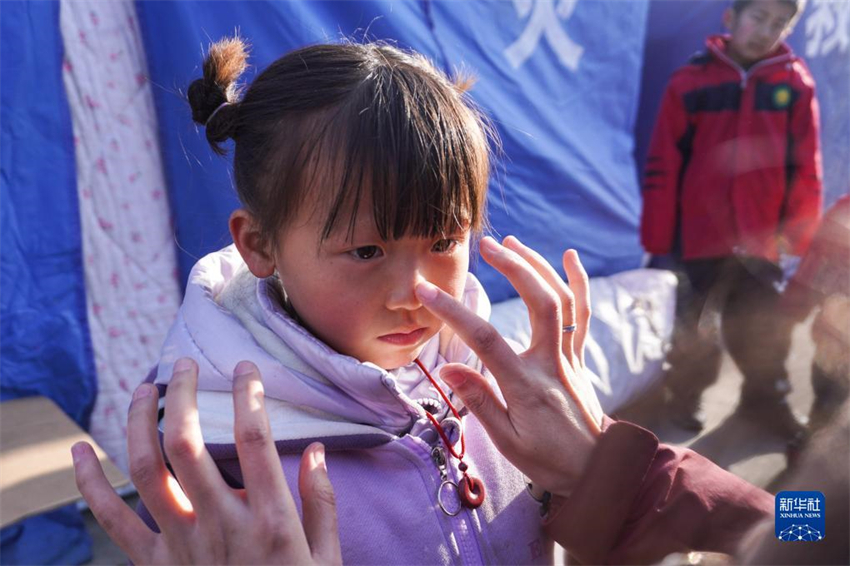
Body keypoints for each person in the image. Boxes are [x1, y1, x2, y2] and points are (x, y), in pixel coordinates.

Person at [72, 37, 776, 565]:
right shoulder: (227, 475)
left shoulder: (503, 392)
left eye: (446, 237)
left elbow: (783, 526)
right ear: (259, 245)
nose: (420, 294)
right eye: (368, 251)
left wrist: (605, 469)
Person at [640, 0, 823, 436]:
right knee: (692, 330)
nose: (766, 30)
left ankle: (766, 402)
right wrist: (660, 237)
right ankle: (685, 399)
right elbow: (664, 163)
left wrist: (796, 235)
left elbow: (806, 166)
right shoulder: (690, 82)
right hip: (698, 237)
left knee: (763, 328)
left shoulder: (794, 83)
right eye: (758, 17)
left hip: (760, 238)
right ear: (730, 19)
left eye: (779, 23)